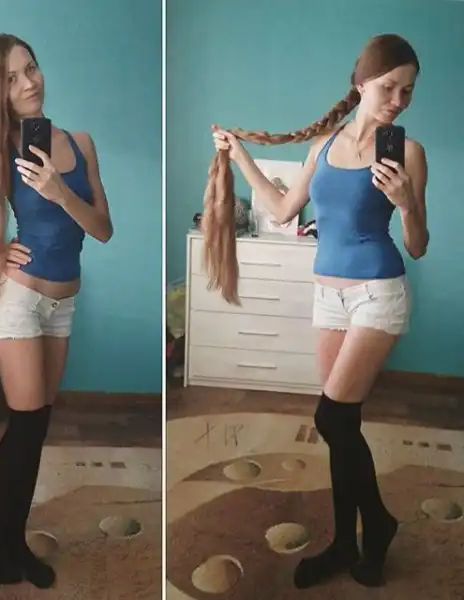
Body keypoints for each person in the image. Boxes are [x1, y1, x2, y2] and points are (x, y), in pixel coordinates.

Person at [208, 33, 428, 589]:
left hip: (378, 292)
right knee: (343, 425)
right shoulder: (323, 147)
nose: (398, 100)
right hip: (328, 297)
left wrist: (406, 205)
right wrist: (241, 158)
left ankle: (378, 524)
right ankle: (344, 543)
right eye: (389, 87)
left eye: (407, 91)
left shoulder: (409, 152)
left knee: (330, 418)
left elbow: (419, 245)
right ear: (362, 82)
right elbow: (284, 210)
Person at [0, 33, 113, 590]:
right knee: (29, 421)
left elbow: (103, 230)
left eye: (31, 68)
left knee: (38, 424)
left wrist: (59, 192)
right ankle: (1, 534)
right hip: (20, 300)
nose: (29, 82)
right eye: (11, 78)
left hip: (64, 302)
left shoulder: (80, 143)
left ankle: (6, 532)